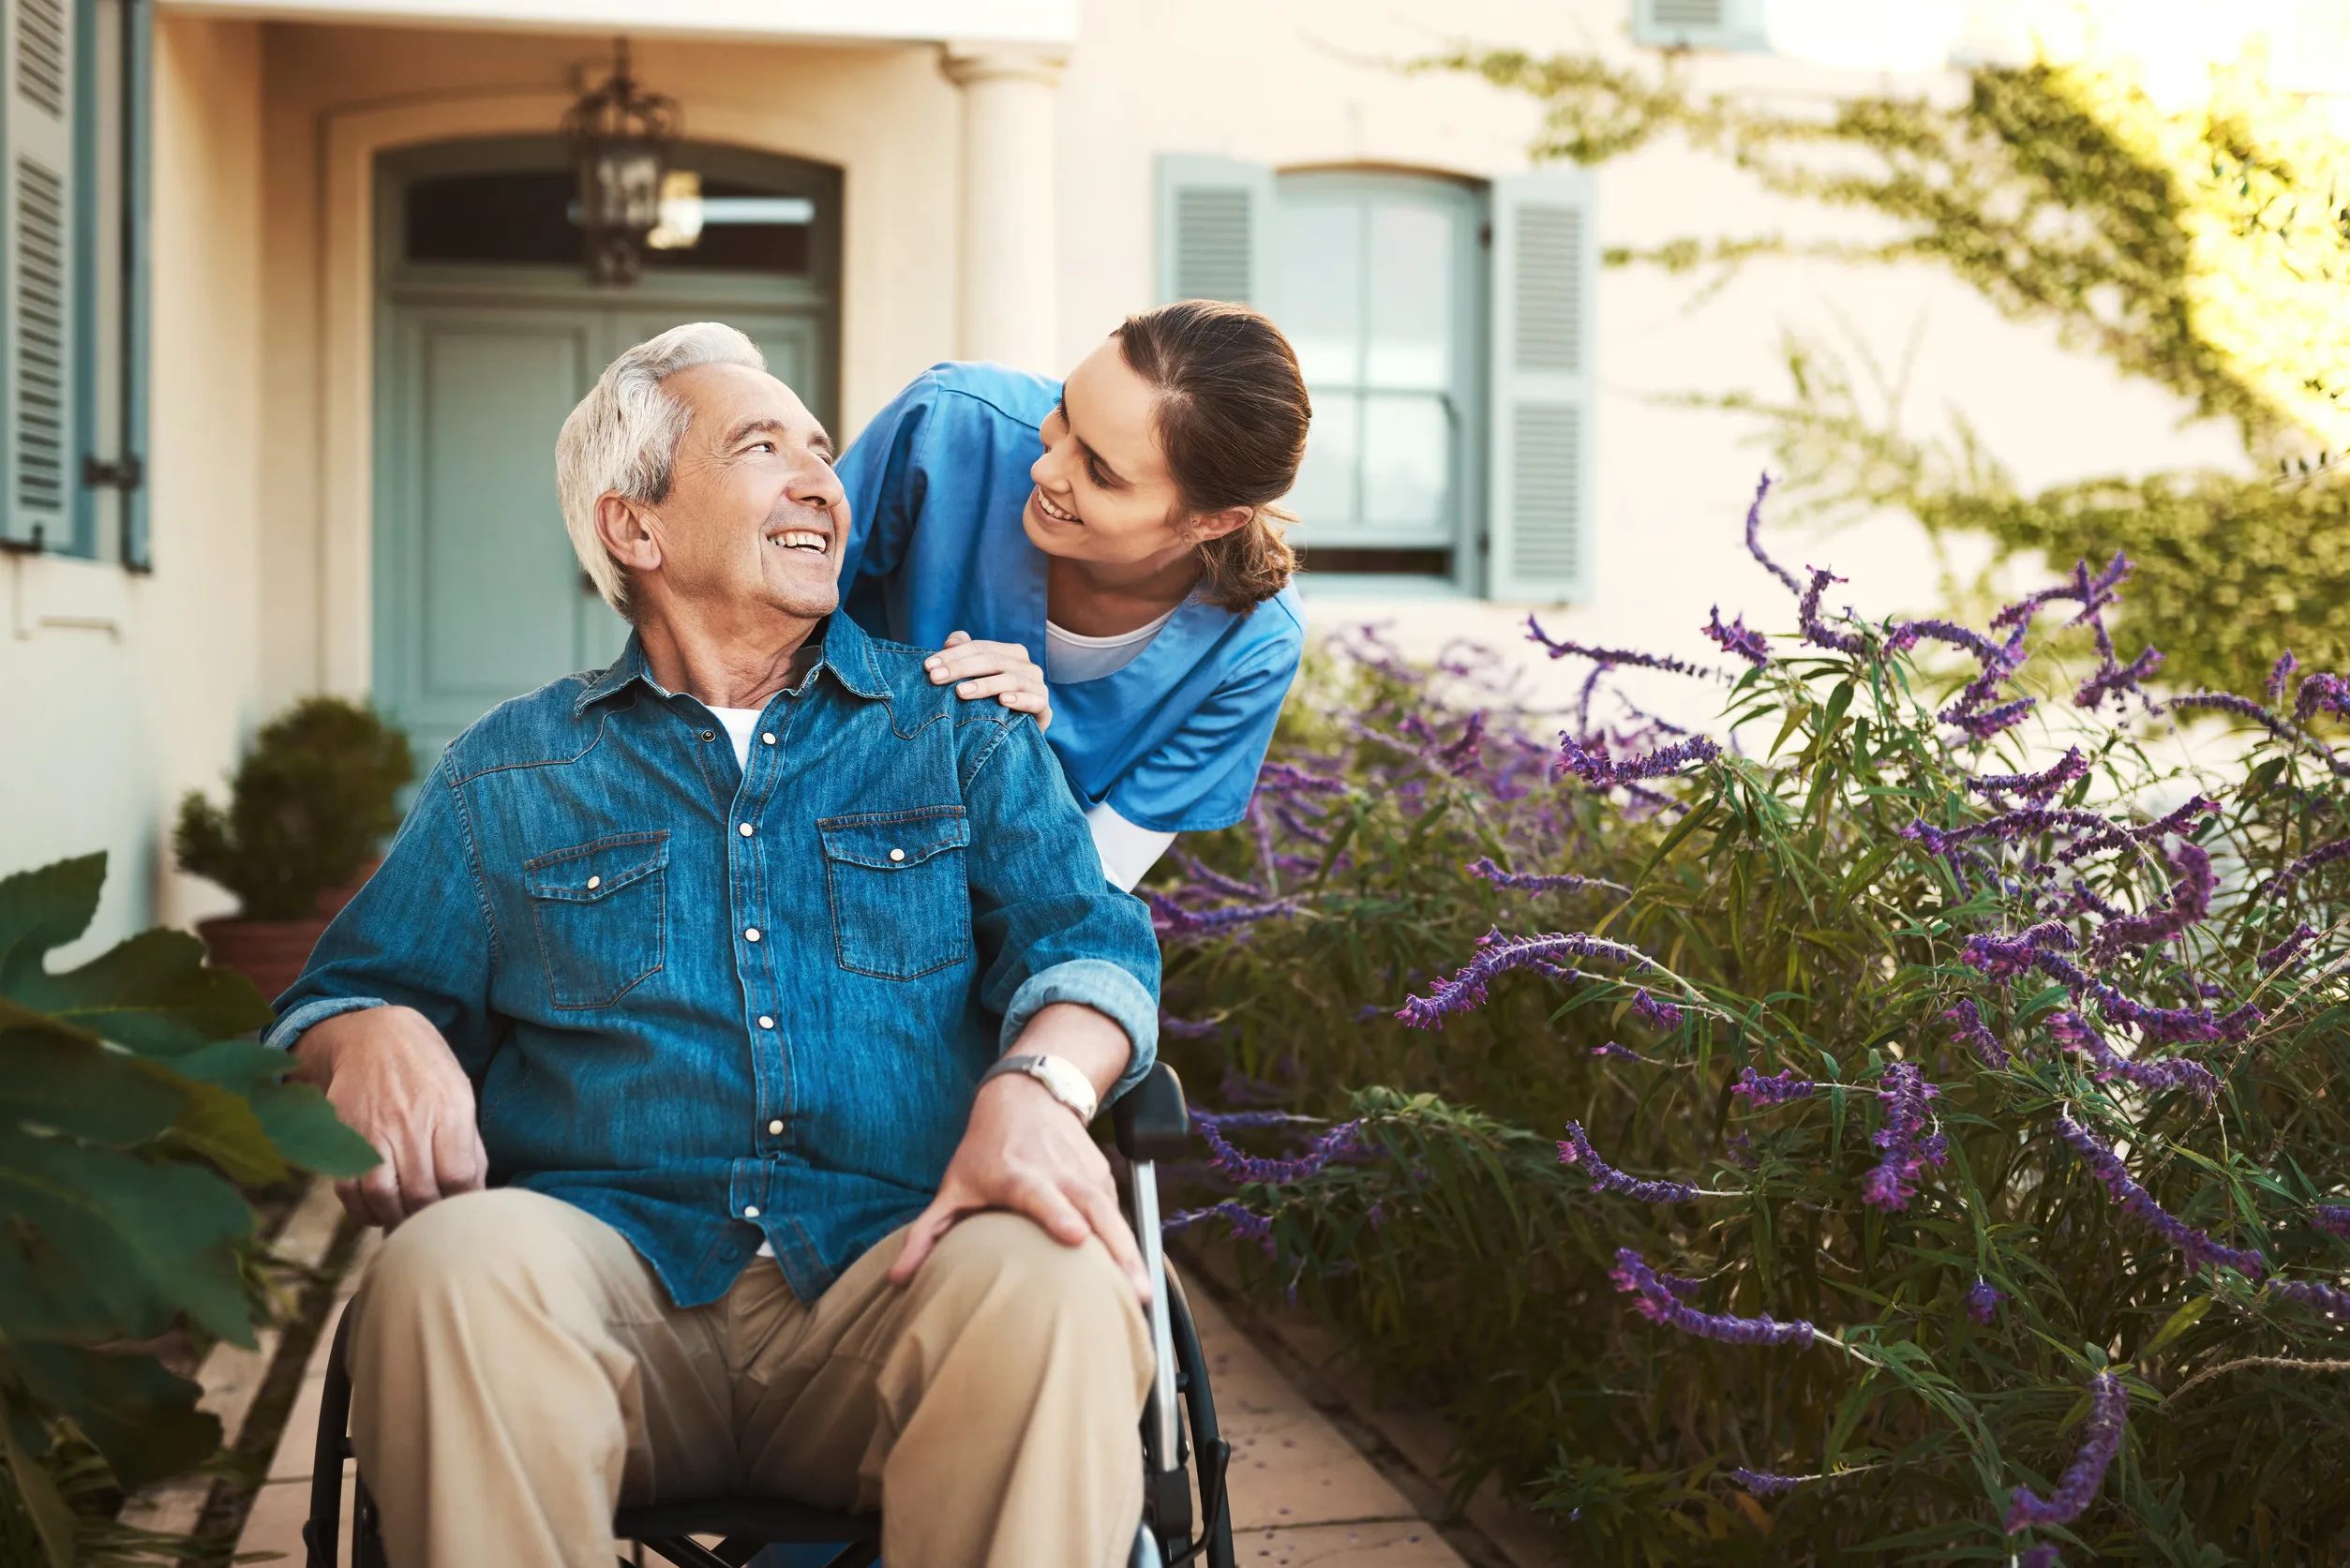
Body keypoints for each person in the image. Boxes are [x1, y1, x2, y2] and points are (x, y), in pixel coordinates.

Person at [268, 322, 1164, 1568]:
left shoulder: (957, 726)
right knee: (446, 1266)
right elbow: (348, 985)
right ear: (634, 527)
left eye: (819, 450)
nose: (822, 480)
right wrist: (369, 1030)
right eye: (762, 447)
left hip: (895, 1277)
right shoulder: (514, 771)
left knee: (1054, 1279)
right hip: (603, 1298)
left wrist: (1039, 1088)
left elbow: (1092, 944)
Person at [835, 300, 1312, 891]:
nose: (1044, 469)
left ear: (1211, 522)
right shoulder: (947, 423)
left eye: (1102, 474)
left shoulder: (1253, 652)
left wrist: (1020, 759)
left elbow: (1087, 886)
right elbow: (754, 623)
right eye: (1063, 410)